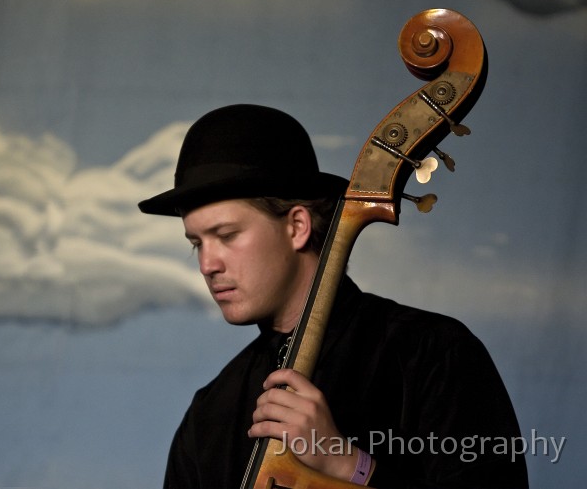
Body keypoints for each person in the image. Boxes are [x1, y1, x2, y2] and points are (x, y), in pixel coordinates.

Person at [138, 104, 529, 488]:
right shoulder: (209, 415)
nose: (207, 264)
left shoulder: (433, 354)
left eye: (226, 236)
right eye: (196, 243)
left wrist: (346, 463)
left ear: (297, 226)